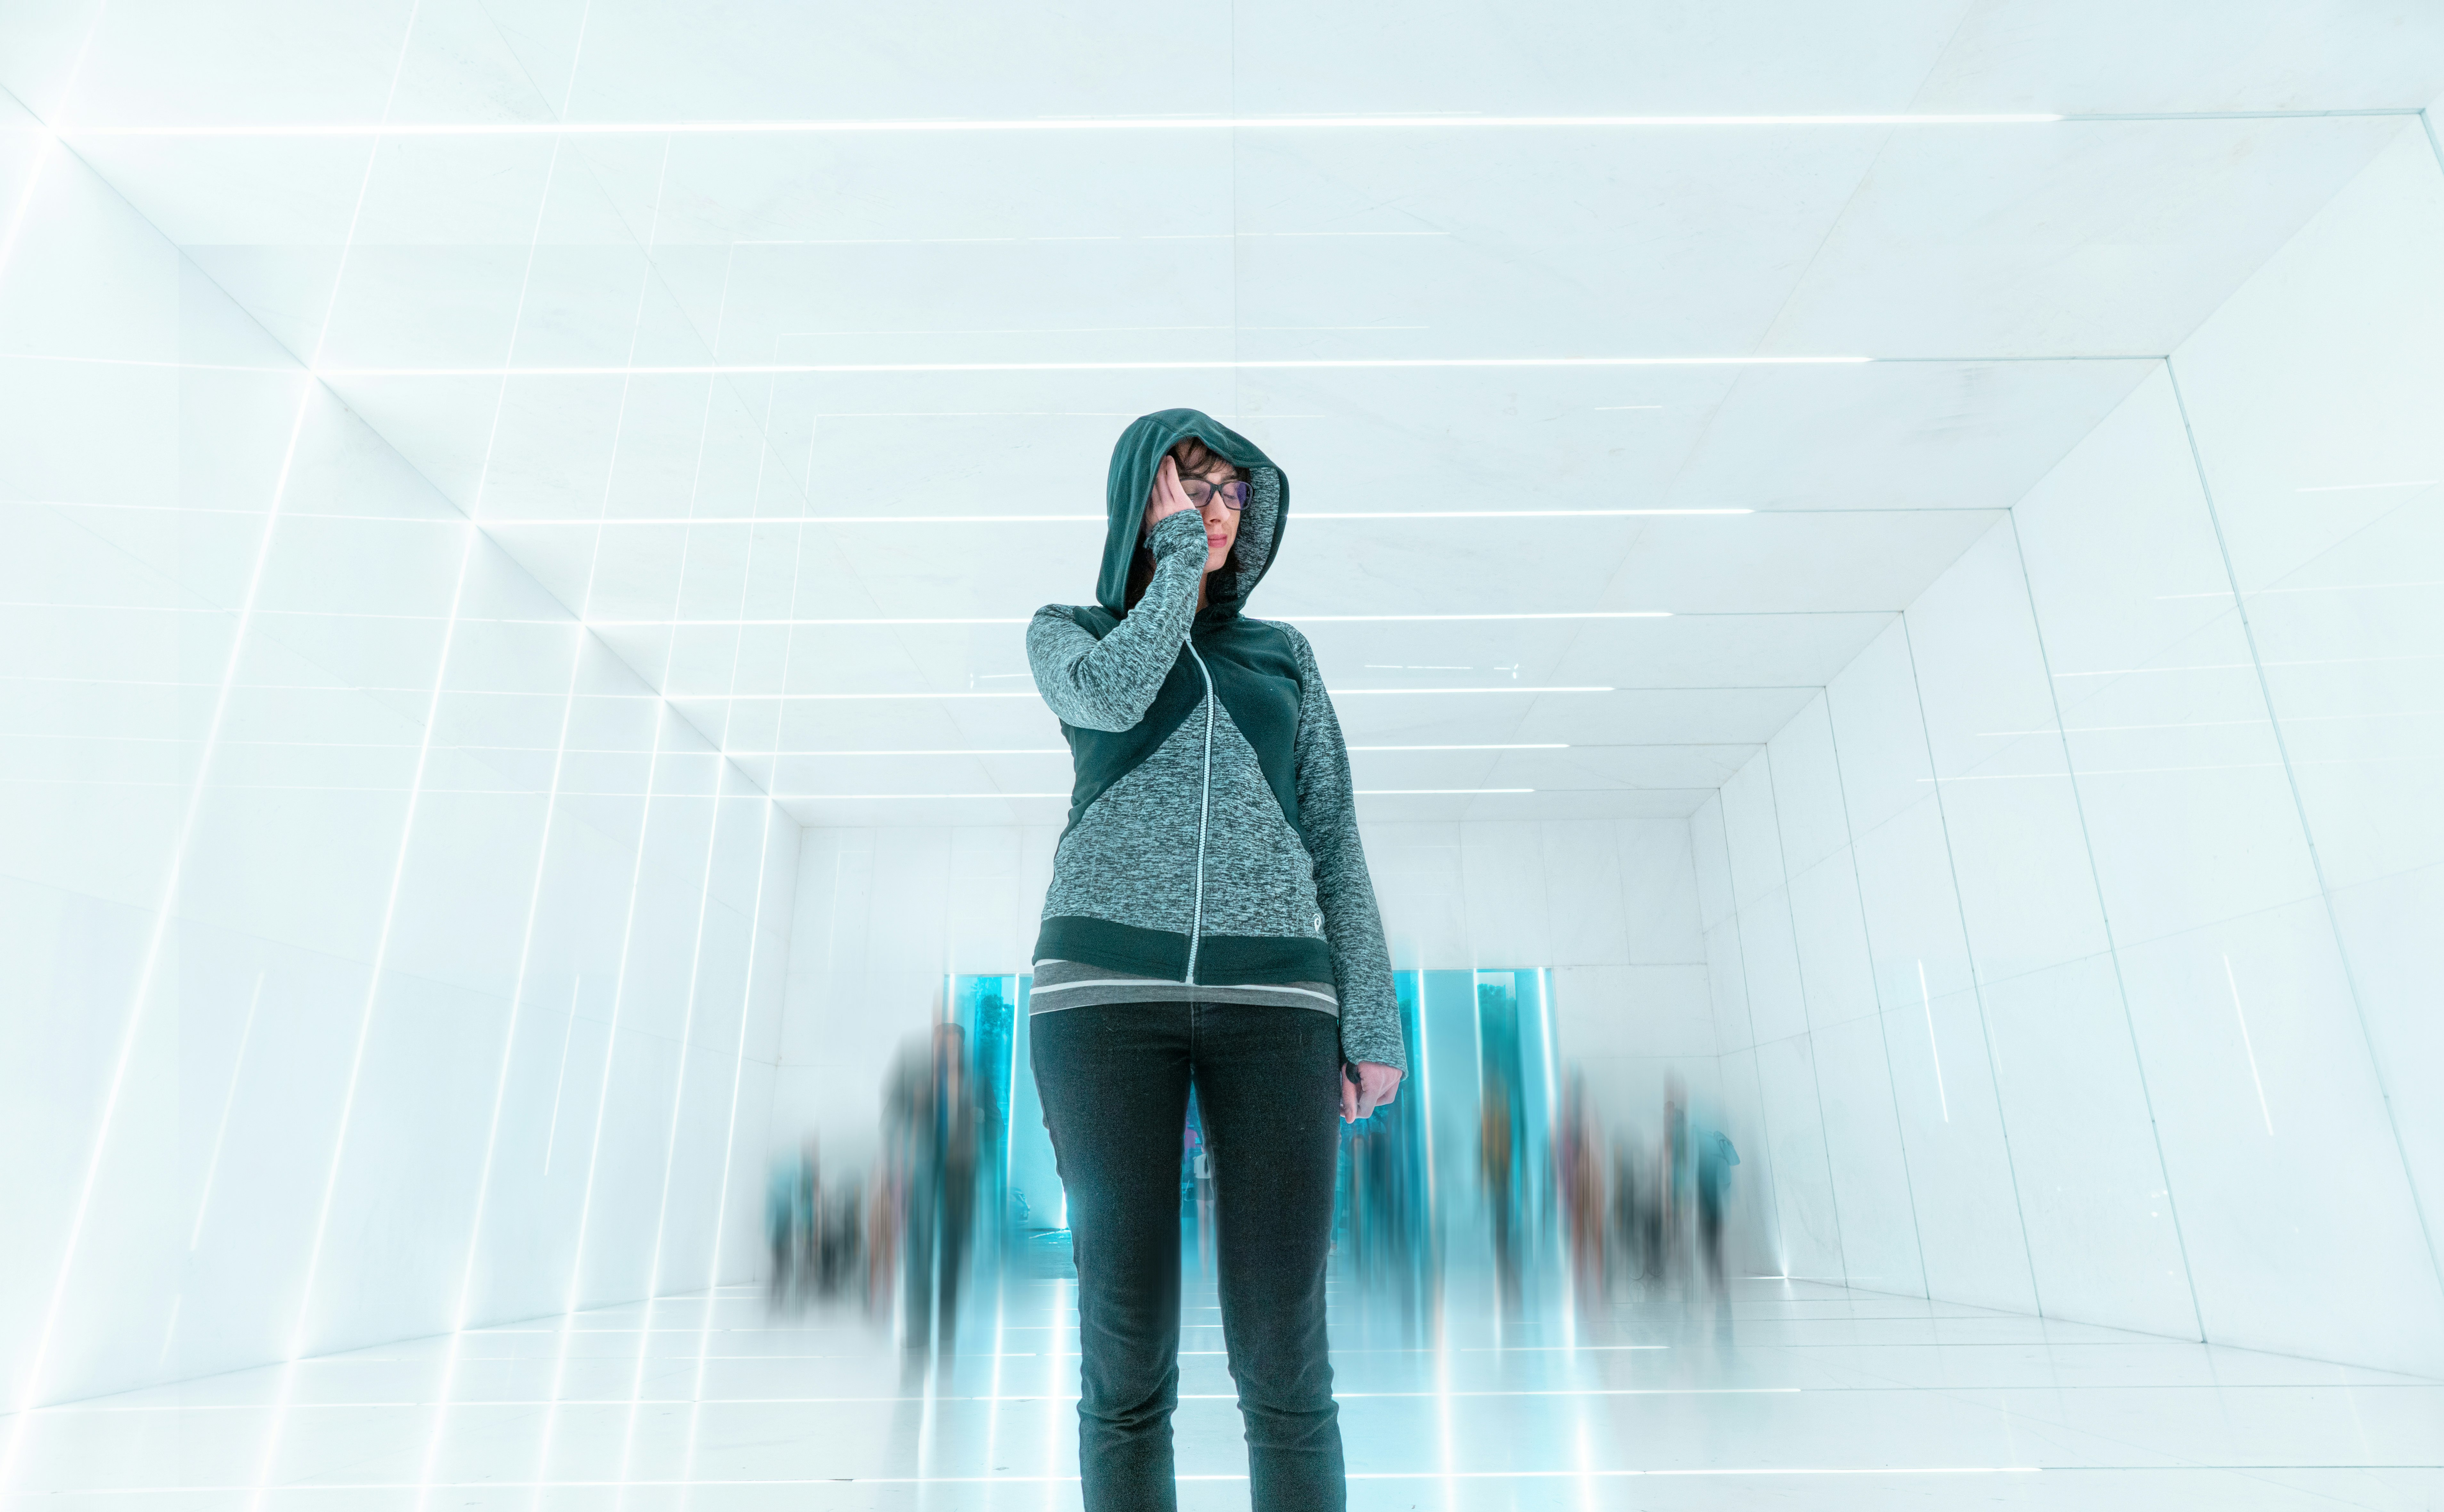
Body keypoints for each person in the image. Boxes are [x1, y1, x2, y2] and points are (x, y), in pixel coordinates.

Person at [1026, 410, 1408, 1512]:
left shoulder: (1284, 656)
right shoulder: (1068, 631)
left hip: (1277, 1002)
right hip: (1101, 1004)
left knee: (1286, 1347)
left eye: (1236, 493)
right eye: (1193, 486)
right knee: (1126, 1343)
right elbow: (1109, 699)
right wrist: (1176, 567)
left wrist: (1370, 1018)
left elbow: (1331, 833)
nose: (1220, 509)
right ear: (1142, 499)